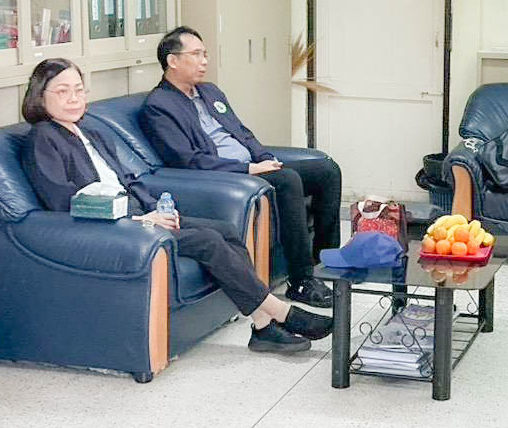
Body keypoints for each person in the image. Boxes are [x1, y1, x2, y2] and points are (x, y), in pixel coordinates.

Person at [20, 59, 330, 354]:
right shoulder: (43, 138)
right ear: (40, 96)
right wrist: (140, 219)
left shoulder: (91, 132)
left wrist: (158, 209)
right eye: (62, 91)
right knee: (207, 241)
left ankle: (263, 325)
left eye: (79, 89)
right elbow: (65, 202)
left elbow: (128, 180)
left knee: (225, 231)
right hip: (112, 228)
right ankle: (281, 312)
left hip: (140, 216)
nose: (74, 98)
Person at [140, 26, 340, 309]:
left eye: (205, 54)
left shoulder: (210, 91)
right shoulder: (159, 105)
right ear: (173, 61)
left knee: (327, 171)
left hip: (252, 165)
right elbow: (187, 160)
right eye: (196, 54)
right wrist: (248, 170)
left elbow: (242, 133)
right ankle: (301, 281)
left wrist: (265, 158)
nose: (204, 61)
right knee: (287, 180)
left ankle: (326, 261)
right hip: (225, 175)